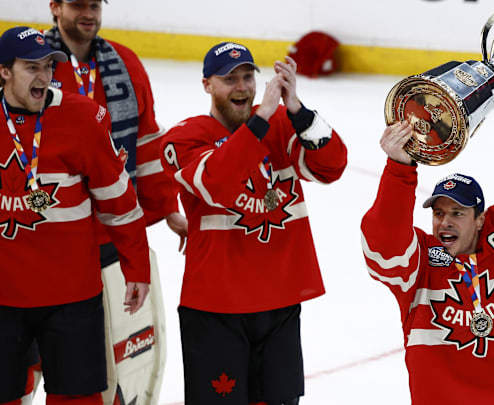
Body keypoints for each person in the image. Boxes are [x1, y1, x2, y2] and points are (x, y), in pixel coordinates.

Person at [361, 66, 494, 404]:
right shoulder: (420, 264)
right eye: (438, 213)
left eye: (458, 213)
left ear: (480, 220)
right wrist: (399, 168)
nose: (445, 222)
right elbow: (383, 249)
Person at [159, 42, 347, 405]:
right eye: (229, 79)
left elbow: (332, 165)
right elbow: (216, 181)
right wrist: (260, 121)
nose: (242, 87)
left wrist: (298, 111)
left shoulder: (280, 126)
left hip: (279, 301)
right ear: (207, 85)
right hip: (216, 308)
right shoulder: (184, 138)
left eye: (248, 76)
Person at [41, 1, 187, 403]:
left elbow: (146, 139)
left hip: (109, 235)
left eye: (95, 4)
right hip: (43, 240)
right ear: (54, 6)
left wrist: (167, 205)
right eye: (77, 4)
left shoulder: (125, 62)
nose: (88, 13)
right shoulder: (33, 65)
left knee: (108, 364)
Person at [0, 26, 151, 405]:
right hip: (3, 295)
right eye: (31, 67)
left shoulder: (81, 118)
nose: (44, 76)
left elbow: (118, 201)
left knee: (79, 399)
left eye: (49, 67)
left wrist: (137, 268)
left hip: (71, 295)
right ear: (4, 71)